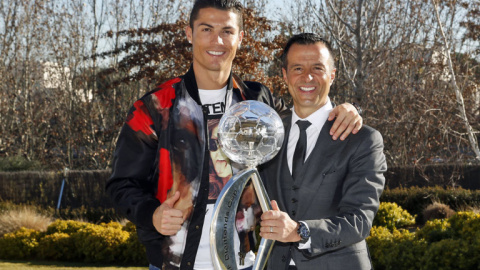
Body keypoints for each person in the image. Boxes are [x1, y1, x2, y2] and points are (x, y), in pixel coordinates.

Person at [106, 0, 363, 269]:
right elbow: (121, 184)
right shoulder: (156, 107)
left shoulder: (257, 102)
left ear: (240, 38)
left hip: (248, 262)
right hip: (173, 261)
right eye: (206, 29)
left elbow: (307, 115)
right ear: (189, 34)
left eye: (227, 31)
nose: (217, 40)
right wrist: (151, 214)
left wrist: (347, 109)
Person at [259, 33, 387, 270]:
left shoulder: (364, 140)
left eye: (317, 68)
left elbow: (359, 220)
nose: (307, 77)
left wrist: (300, 231)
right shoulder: (269, 132)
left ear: (332, 74)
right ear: (285, 75)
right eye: (297, 68)